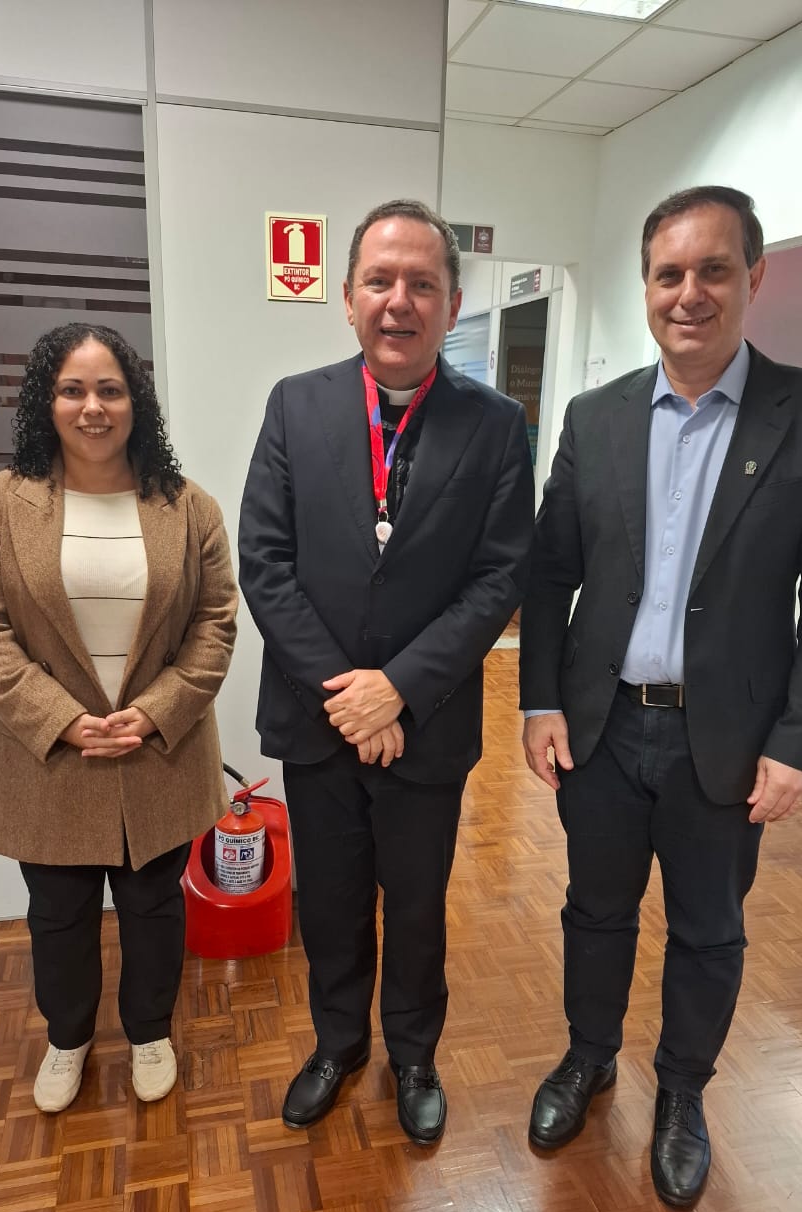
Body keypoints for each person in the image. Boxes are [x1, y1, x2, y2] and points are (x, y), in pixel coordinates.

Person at [520, 186, 802, 1206]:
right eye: (669, 273)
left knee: (710, 930)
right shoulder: (595, 418)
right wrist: (540, 701)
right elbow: (550, 573)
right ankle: (589, 1056)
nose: (690, 293)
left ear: (753, 278)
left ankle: (682, 1090)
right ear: (646, 286)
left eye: (713, 270)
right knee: (595, 910)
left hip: (726, 739)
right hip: (600, 730)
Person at [238, 198, 533, 1144]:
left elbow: (500, 577)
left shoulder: (497, 425)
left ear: (452, 304)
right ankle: (337, 1044)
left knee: (414, 907)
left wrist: (398, 686)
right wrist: (352, 698)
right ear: (347, 297)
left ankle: (413, 1054)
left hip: (426, 722)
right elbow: (265, 563)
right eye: (378, 280)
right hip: (318, 720)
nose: (398, 301)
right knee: (328, 903)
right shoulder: (296, 404)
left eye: (421, 284)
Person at [0, 322, 238, 1113]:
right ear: (45, 403)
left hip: (157, 749)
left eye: (110, 390)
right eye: (72, 390)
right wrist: (61, 719)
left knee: (154, 907)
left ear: (134, 402)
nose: (92, 407)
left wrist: (154, 711)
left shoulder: (189, 508)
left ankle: (150, 1032)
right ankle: (67, 1038)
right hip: (46, 755)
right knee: (59, 913)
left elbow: (216, 623)